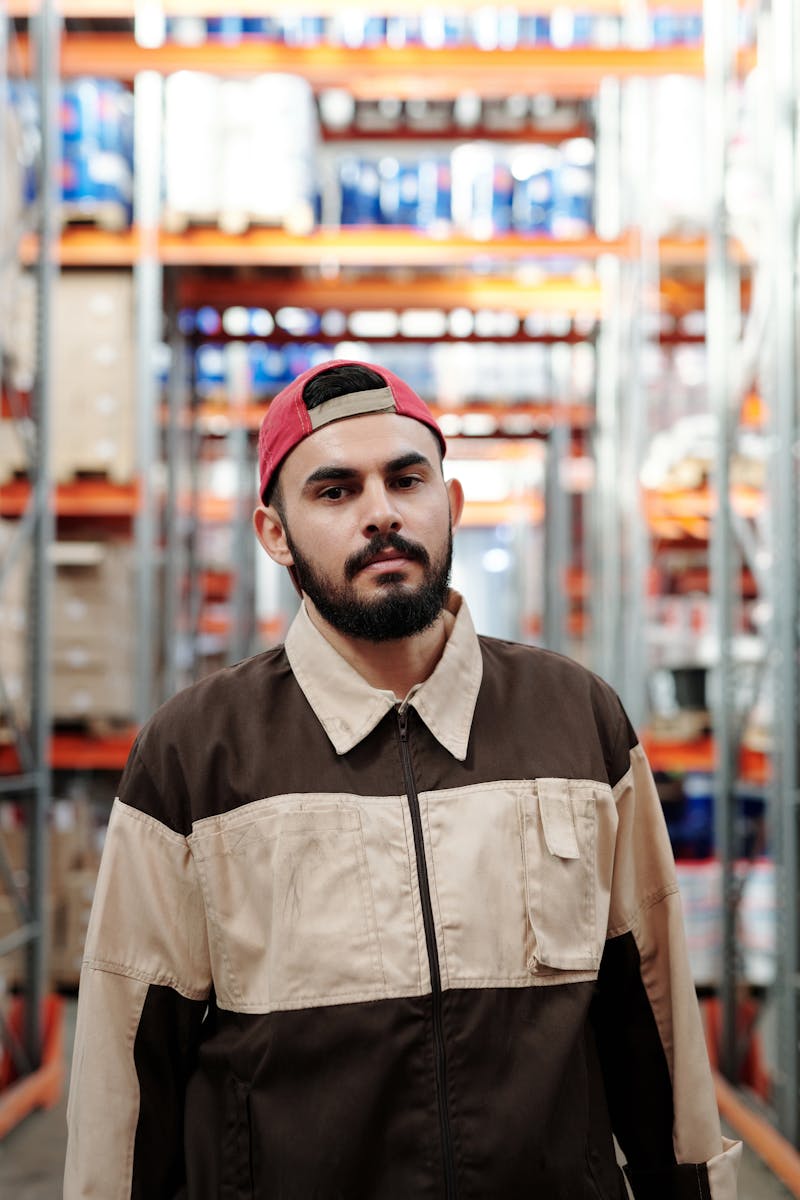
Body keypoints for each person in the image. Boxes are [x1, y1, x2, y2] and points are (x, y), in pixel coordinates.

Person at [64, 359, 740, 1199]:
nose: (382, 512)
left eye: (406, 479)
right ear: (275, 533)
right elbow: (128, 1070)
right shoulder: (196, 754)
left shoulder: (577, 720)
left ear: (449, 506)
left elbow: (656, 1023)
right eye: (336, 490)